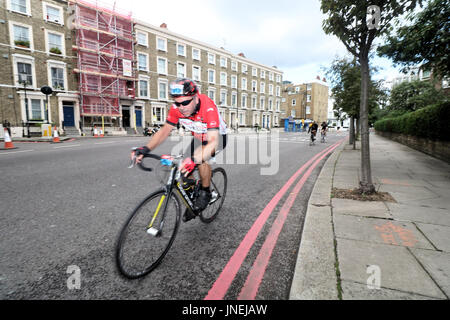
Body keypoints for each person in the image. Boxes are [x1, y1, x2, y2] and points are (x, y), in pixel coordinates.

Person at [132, 78, 227, 221]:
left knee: (199, 158)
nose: (181, 107)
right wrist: (146, 148)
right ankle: (193, 199)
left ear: (195, 97)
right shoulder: (177, 109)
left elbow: (213, 141)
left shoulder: (208, 107)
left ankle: (206, 193)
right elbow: (164, 131)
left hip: (217, 137)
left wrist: (194, 160)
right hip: (199, 137)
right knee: (183, 167)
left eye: (185, 102)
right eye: (177, 103)